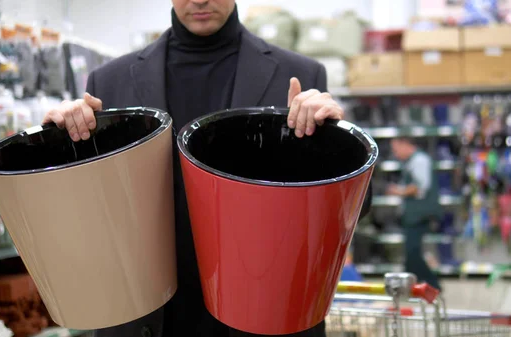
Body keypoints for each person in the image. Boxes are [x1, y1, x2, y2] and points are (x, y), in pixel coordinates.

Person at [42, 1, 372, 337]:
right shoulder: (110, 82)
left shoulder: (300, 76)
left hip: (264, 312)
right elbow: (85, 212)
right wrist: (60, 142)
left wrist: (336, 141)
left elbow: (350, 208)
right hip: (152, 320)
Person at [387, 137, 442, 291]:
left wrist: (398, 191)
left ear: (406, 144)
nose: (395, 153)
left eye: (396, 149)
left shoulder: (419, 160)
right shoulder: (413, 161)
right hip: (413, 215)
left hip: (419, 215)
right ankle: (413, 287)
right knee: (411, 253)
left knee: (412, 253)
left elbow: (420, 187)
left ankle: (432, 285)